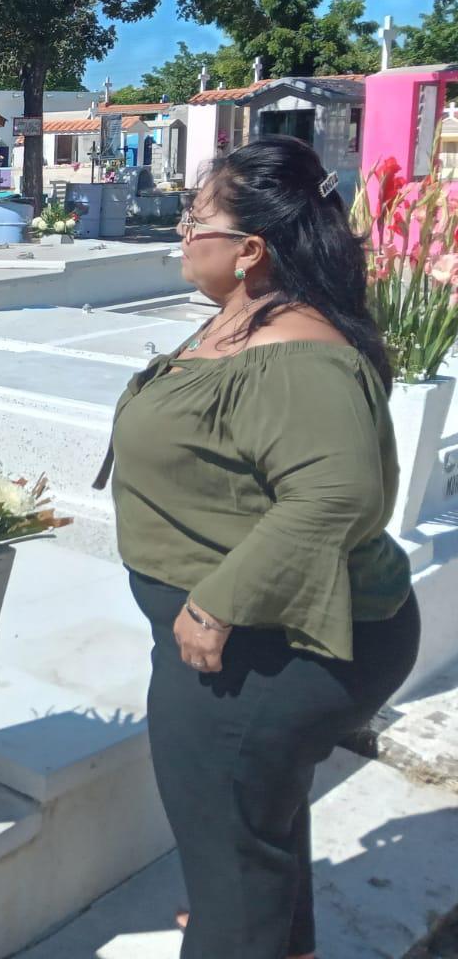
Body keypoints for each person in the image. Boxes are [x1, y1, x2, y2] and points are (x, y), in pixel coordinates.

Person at [95, 137, 419, 959]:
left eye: (195, 219)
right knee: (251, 841)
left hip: (261, 646)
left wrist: (214, 603)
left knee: (232, 869)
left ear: (249, 249)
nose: (180, 232)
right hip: (244, 648)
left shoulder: (297, 353)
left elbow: (336, 493)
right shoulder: (246, 321)